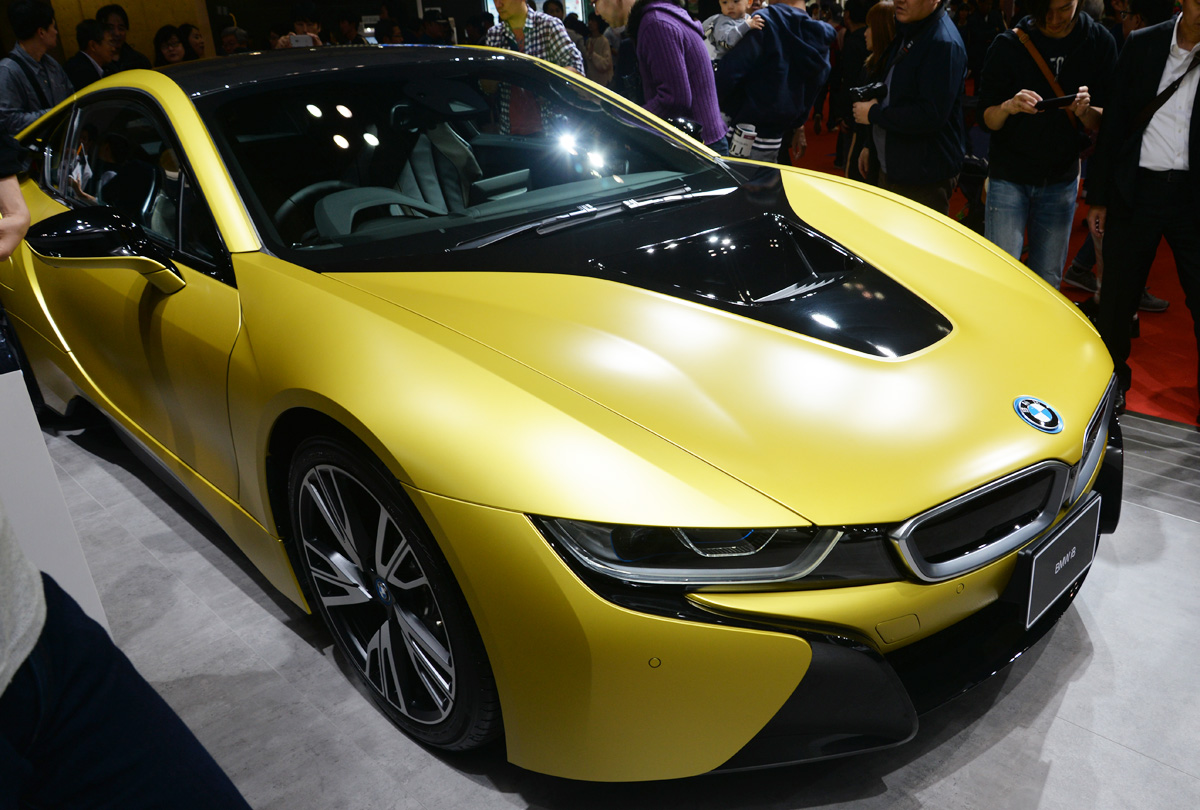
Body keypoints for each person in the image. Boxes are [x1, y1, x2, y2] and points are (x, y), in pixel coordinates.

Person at [1087, 0, 1200, 421]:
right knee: (1117, 300)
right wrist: (1098, 196)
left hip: (1192, 197)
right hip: (1138, 189)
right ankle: (1111, 389)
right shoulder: (1143, 43)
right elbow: (1115, 122)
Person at [977, 0, 1116, 288]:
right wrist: (1008, 107)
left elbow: (1105, 121)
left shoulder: (1098, 41)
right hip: (1009, 175)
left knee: (1048, 281)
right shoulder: (1009, 44)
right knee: (1000, 280)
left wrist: (1085, 111)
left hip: (1060, 177)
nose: (1053, 19)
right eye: (1045, 10)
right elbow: (987, 119)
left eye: (1064, 8)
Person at [851, 0, 968, 214]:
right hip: (896, 165)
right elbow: (894, 90)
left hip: (922, 176)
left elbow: (930, 115)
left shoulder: (942, 42)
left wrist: (874, 114)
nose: (900, 0)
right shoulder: (912, 28)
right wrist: (871, 145)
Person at [595, 0, 728, 152]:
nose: (596, 12)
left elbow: (673, 100)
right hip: (702, 143)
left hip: (697, 150)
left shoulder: (655, 23)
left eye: (594, 2)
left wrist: (621, 119)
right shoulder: (660, 17)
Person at [717, 0, 836, 162]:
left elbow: (730, 73)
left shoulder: (765, 20)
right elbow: (817, 82)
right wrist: (797, 121)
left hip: (741, 129)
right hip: (775, 136)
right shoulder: (818, 33)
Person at [0, 1, 72, 137]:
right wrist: (53, 114)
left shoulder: (51, 64)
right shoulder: (8, 71)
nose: (56, 32)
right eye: (53, 26)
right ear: (41, 32)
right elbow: (9, 121)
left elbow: (71, 97)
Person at [850, 0, 897, 183]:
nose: (865, 32)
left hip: (881, 151)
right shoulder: (871, 64)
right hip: (869, 143)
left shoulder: (887, 68)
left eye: (870, 27)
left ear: (881, 30)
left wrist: (866, 145)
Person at [485, 0, 584, 72]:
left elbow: (576, 67)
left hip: (546, 95)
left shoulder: (548, 26)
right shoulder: (494, 34)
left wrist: (546, 82)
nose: (498, 4)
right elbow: (488, 88)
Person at [96, 4, 152, 74]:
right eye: (110, 28)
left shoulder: (139, 61)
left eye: (121, 28)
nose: (117, 33)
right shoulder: (96, 63)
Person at [65, 19, 117, 92]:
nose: (113, 49)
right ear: (93, 46)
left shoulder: (107, 68)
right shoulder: (79, 73)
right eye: (110, 42)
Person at [586, 16, 615, 85]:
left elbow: (606, 64)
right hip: (591, 80)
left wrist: (593, 54)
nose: (590, 23)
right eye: (589, 20)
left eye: (593, 21)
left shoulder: (604, 41)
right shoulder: (588, 41)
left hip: (603, 81)